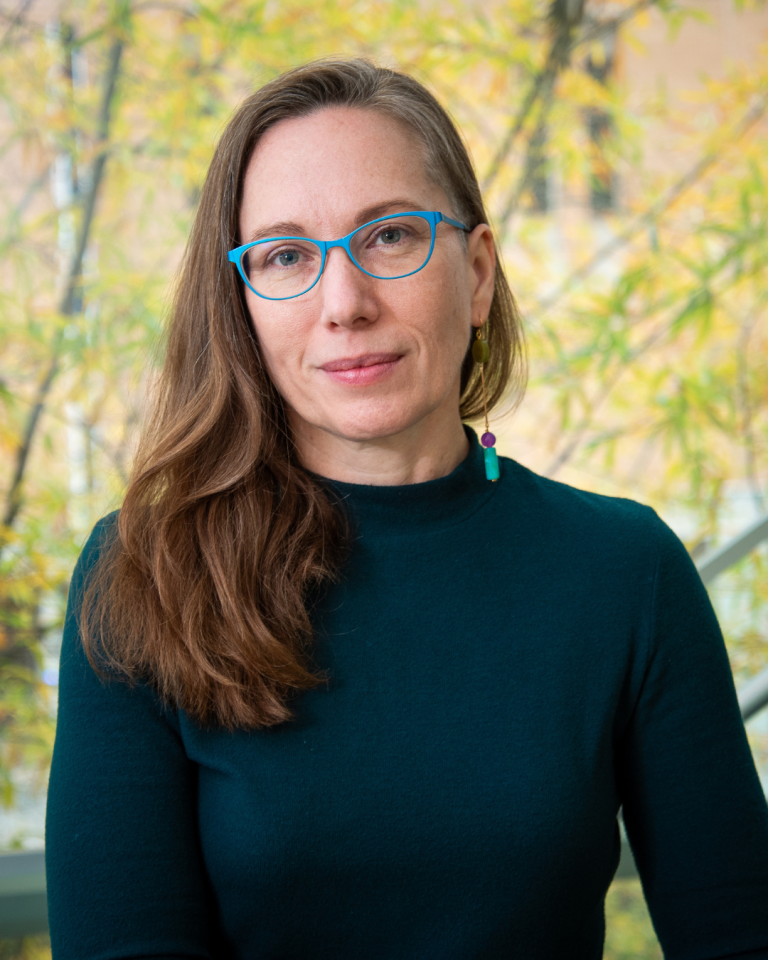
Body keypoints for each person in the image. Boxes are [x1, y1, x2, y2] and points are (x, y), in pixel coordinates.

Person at [45, 58, 768, 960]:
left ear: (476, 273)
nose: (342, 303)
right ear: (243, 307)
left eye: (388, 237)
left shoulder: (627, 571)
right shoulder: (142, 574)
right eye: (285, 255)